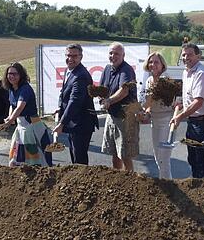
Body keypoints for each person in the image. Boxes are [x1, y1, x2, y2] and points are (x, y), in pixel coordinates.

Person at [170, 43, 204, 180]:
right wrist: (180, 104)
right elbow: (189, 96)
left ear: (198, 55)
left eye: (190, 54)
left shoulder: (201, 73)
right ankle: (198, 190)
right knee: (192, 158)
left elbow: (198, 102)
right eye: (184, 54)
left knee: (201, 159)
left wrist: (180, 117)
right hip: (193, 121)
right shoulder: (186, 72)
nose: (186, 57)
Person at [53, 43, 98, 165]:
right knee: (74, 155)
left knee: (79, 159)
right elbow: (63, 93)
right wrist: (59, 108)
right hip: (74, 123)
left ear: (81, 57)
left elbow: (75, 101)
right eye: (68, 55)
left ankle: (84, 182)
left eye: (74, 56)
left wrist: (62, 123)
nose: (70, 59)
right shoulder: (69, 70)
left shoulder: (81, 76)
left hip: (81, 123)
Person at [2, 62, 53, 166]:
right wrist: (9, 117)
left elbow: (20, 107)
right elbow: (13, 105)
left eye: (15, 74)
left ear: (21, 75)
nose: (12, 76)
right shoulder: (11, 89)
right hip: (21, 127)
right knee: (17, 155)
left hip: (32, 127)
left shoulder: (25, 88)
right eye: (9, 73)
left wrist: (10, 120)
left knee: (35, 157)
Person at [98, 42, 139, 171]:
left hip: (125, 117)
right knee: (114, 152)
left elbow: (124, 90)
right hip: (112, 115)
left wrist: (109, 100)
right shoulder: (107, 69)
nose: (113, 56)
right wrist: (101, 97)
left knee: (125, 154)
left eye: (116, 53)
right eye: (111, 53)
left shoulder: (126, 70)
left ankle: (131, 182)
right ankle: (118, 181)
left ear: (123, 55)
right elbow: (102, 89)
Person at [141, 52, 176, 179]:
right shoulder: (150, 80)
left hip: (166, 121)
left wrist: (139, 110)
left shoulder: (164, 80)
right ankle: (165, 182)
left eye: (156, 62)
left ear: (162, 65)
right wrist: (147, 112)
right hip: (155, 120)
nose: (153, 65)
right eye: (151, 62)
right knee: (157, 157)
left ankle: (167, 185)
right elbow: (150, 104)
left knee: (164, 158)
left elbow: (150, 99)